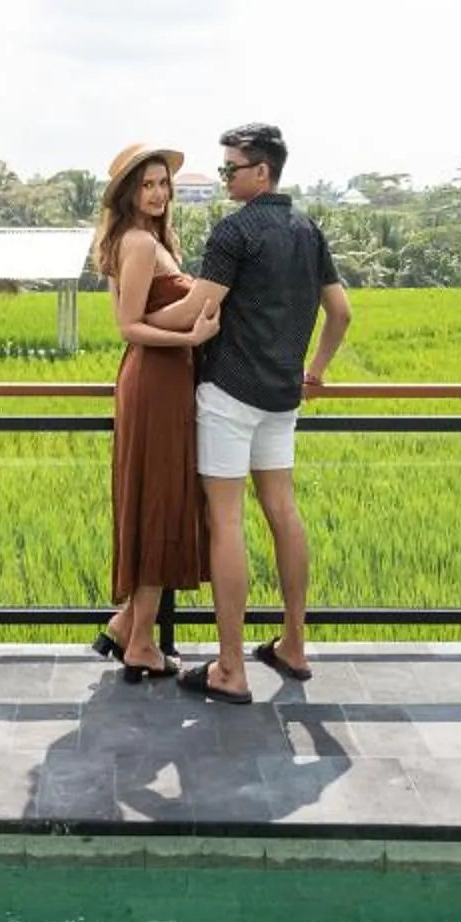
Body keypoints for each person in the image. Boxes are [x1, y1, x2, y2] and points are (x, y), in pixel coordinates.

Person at [180, 121, 349, 705]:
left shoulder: (234, 231)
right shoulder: (307, 228)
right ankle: (294, 645)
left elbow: (199, 308)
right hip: (283, 396)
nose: (225, 176)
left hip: (228, 394)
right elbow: (341, 312)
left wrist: (134, 318)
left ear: (261, 172)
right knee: (282, 509)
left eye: (230, 168)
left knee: (226, 522)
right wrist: (316, 370)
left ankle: (230, 668)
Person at [90, 141, 221, 679]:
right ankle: (139, 639)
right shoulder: (140, 243)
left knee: (161, 498)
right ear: (128, 193)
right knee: (160, 501)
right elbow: (130, 326)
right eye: (146, 185)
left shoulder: (148, 240)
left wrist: (189, 333)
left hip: (163, 379)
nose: (158, 193)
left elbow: (146, 315)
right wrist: (193, 333)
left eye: (163, 183)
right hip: (155, 379)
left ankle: (127, 626)